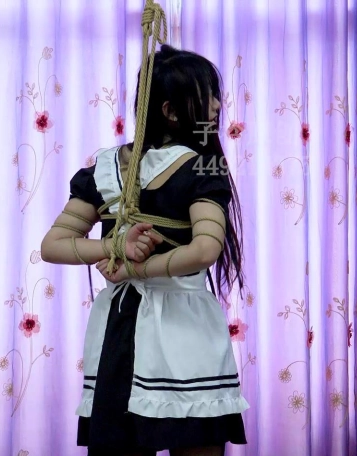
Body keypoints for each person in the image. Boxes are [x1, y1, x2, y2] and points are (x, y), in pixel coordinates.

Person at [40, 45, 248, 456]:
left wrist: (126, 262)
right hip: (182, 330)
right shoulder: (202, 165)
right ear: (171, 111)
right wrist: (120, 247)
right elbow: (206, 249)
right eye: (208, 95)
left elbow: (54, 245)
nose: (217, 105)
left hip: (121, 329)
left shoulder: (105, 167)